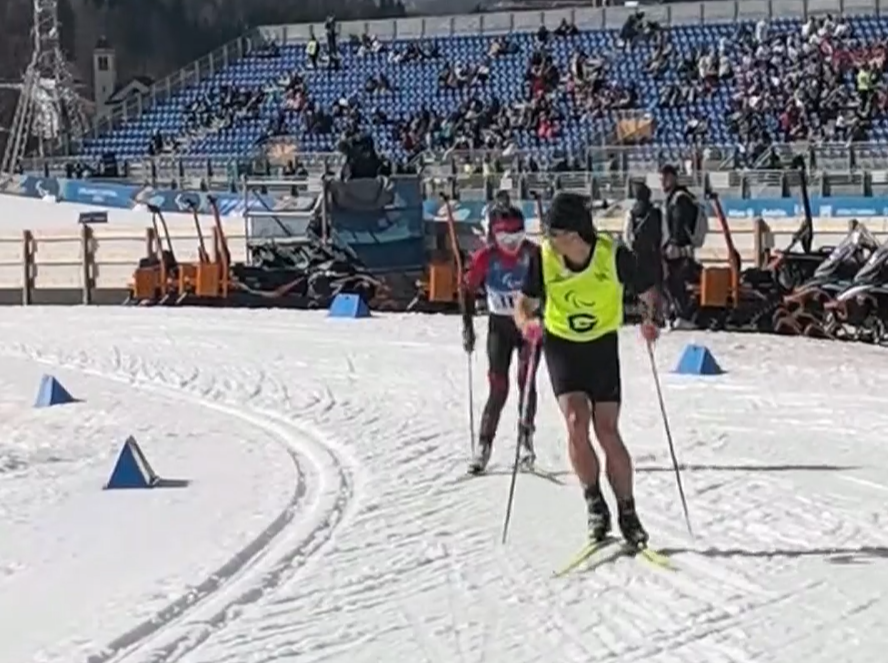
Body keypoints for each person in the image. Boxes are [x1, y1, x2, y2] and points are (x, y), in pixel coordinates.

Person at [514, 191, 661, 547]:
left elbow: (648, 291)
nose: (549, 239)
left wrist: (650, 319)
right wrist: (527, 323)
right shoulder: (543, 258)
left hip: (601, 346)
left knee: (607, 430)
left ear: (574, 233)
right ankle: (594, 502)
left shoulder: (613, 256)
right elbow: (524, 304)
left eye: (554, 233)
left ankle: (627, 511)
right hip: (562, 345)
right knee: (576, 422)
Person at [462, 203, 540, 475]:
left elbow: (549, 288)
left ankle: (526, 441)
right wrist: (467, 326)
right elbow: (467, 290)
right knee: (498, 387)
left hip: (528, 327)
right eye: (505, 237)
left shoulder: (533, 254)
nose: (511, 243)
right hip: (500, 326)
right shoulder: (486, 257)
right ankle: (484, 446)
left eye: (517, 235)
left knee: (526, 382)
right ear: (494, 234)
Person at [660, 164, 702, 329]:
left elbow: (678, 223)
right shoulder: (675, 197)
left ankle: (684, 316)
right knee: (672, 281)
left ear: (673, 178)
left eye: (665, 179)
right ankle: (677, 312)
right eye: (661, 179)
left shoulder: (679, 198)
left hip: (680, 250)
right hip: (678, 249)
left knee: (675, 281)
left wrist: (673, 243)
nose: (662, 182)